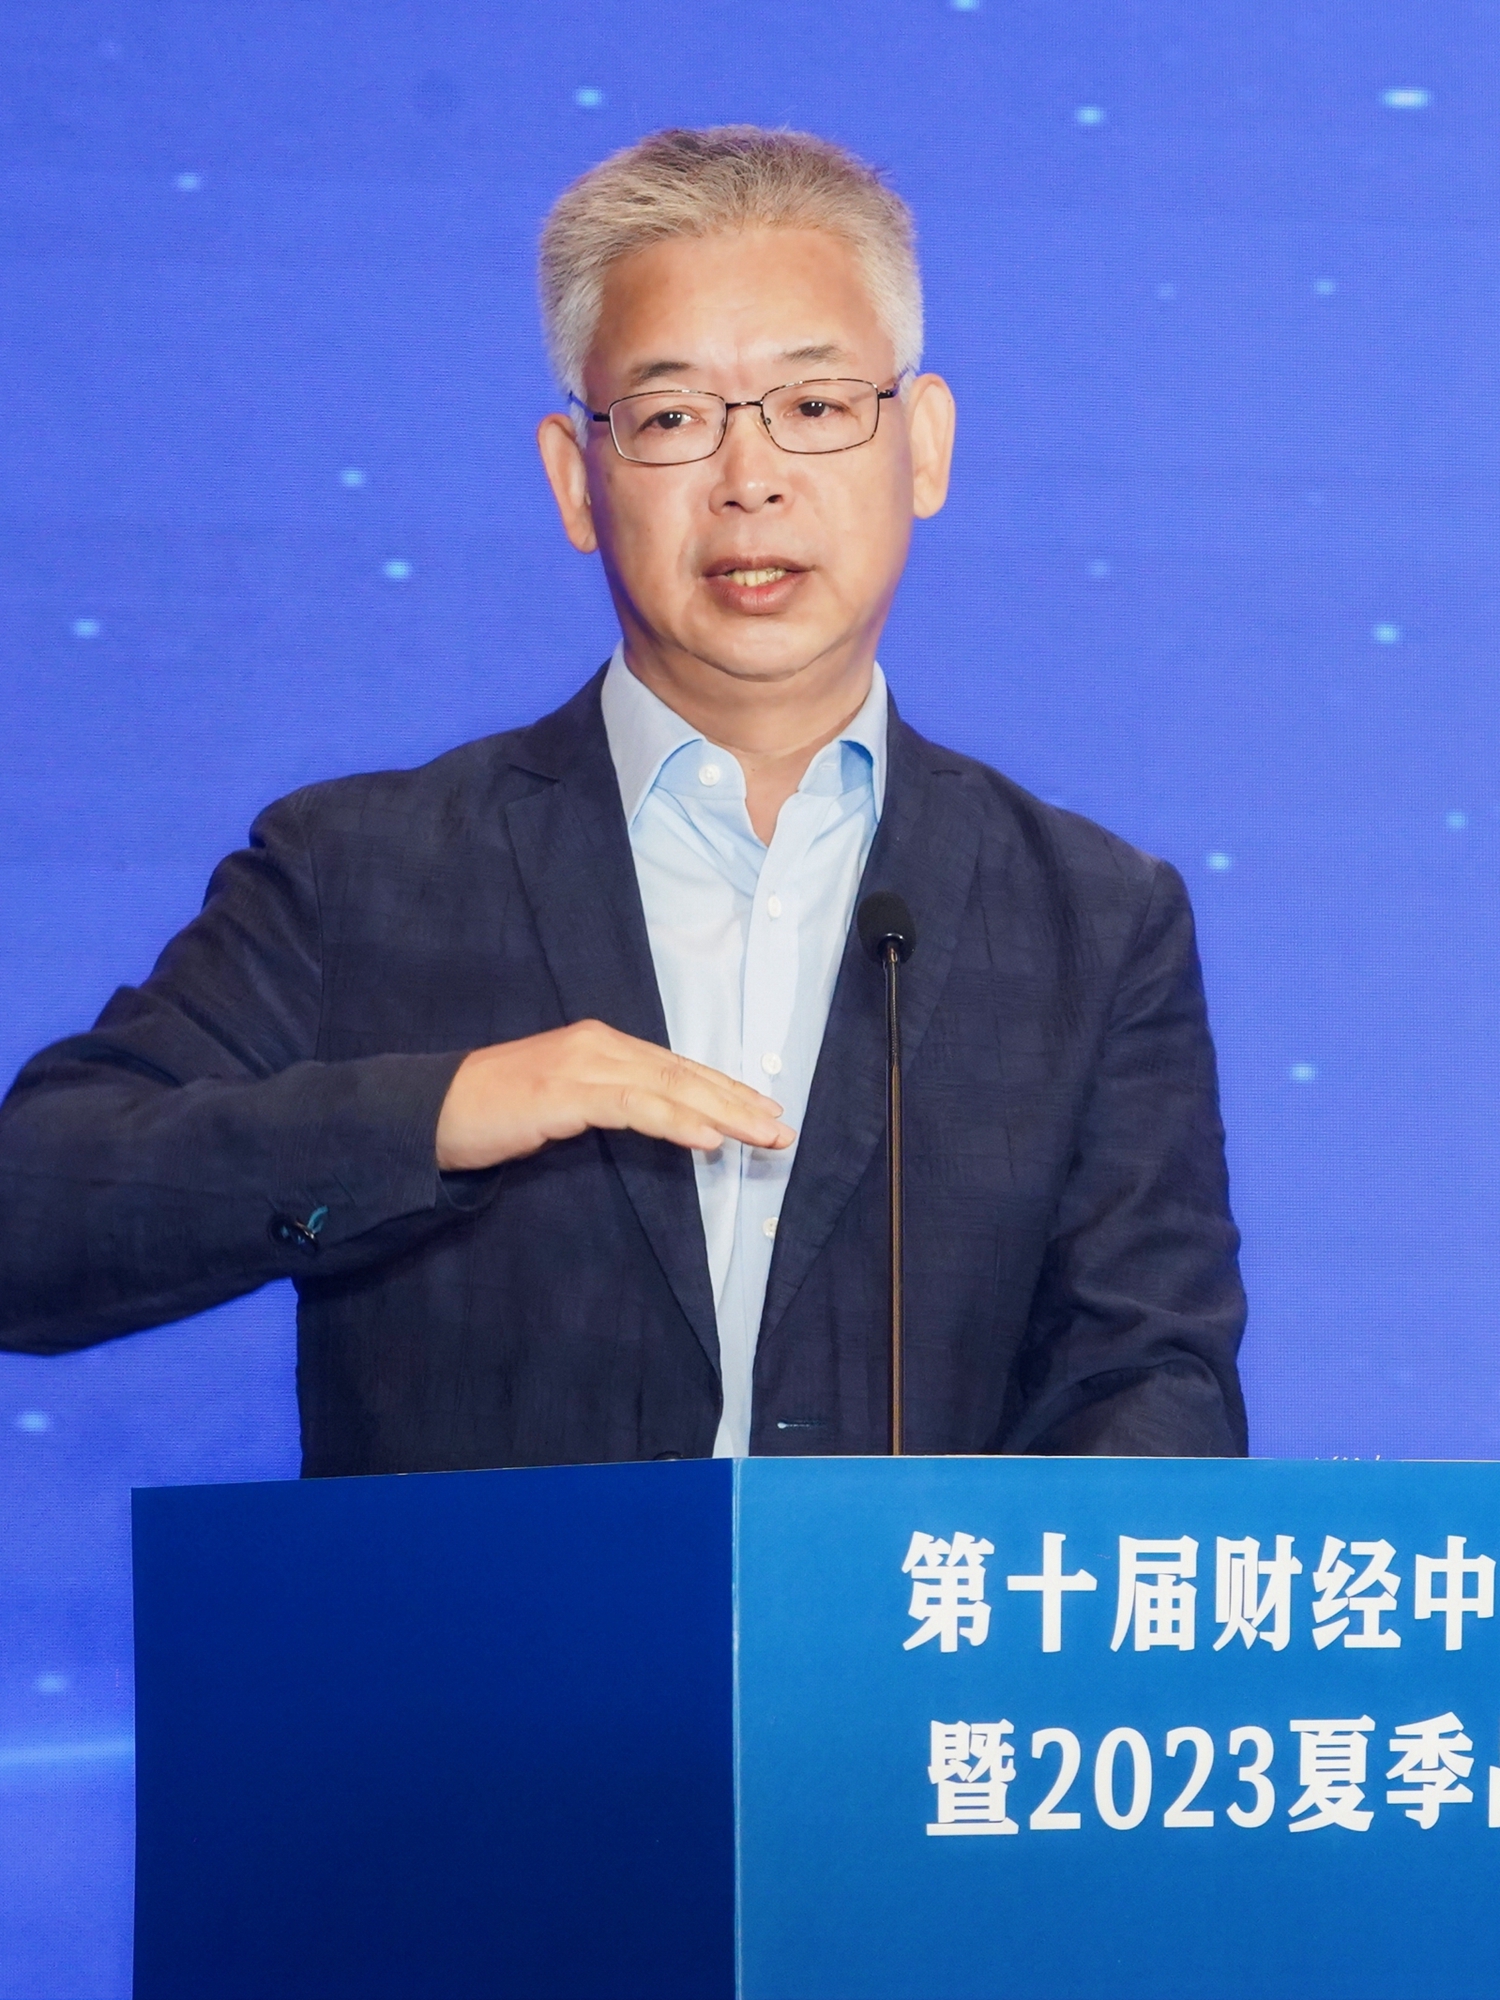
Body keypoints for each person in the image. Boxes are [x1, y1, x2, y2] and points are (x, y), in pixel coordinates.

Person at [0, 126, 1247, 1473]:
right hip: (499, 1623)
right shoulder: (358, 871)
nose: (750, 480)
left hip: (905, 1620)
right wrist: (440, 1113)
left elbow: (1153, 1380)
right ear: (575, 480)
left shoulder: (1093, 920)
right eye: (672, 418)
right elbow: (32, 1217)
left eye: (814, 406)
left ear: (925, 447)